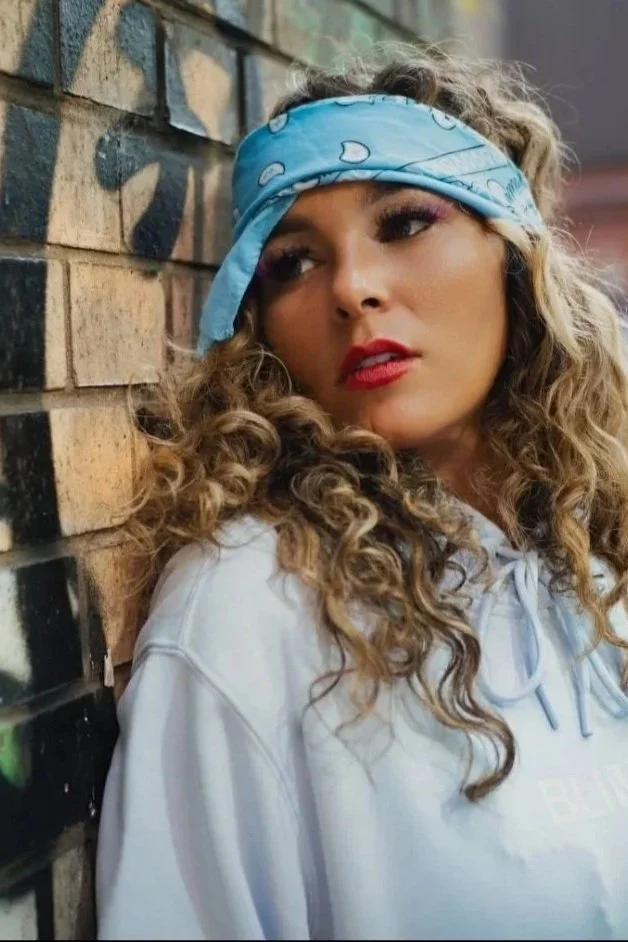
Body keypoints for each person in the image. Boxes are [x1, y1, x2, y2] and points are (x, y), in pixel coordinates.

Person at [95, 44, 628, 940]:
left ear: (512, 253)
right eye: (292, 263)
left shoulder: (594, 541)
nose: (351, 288)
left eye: (405, 222)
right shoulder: (251, 606)